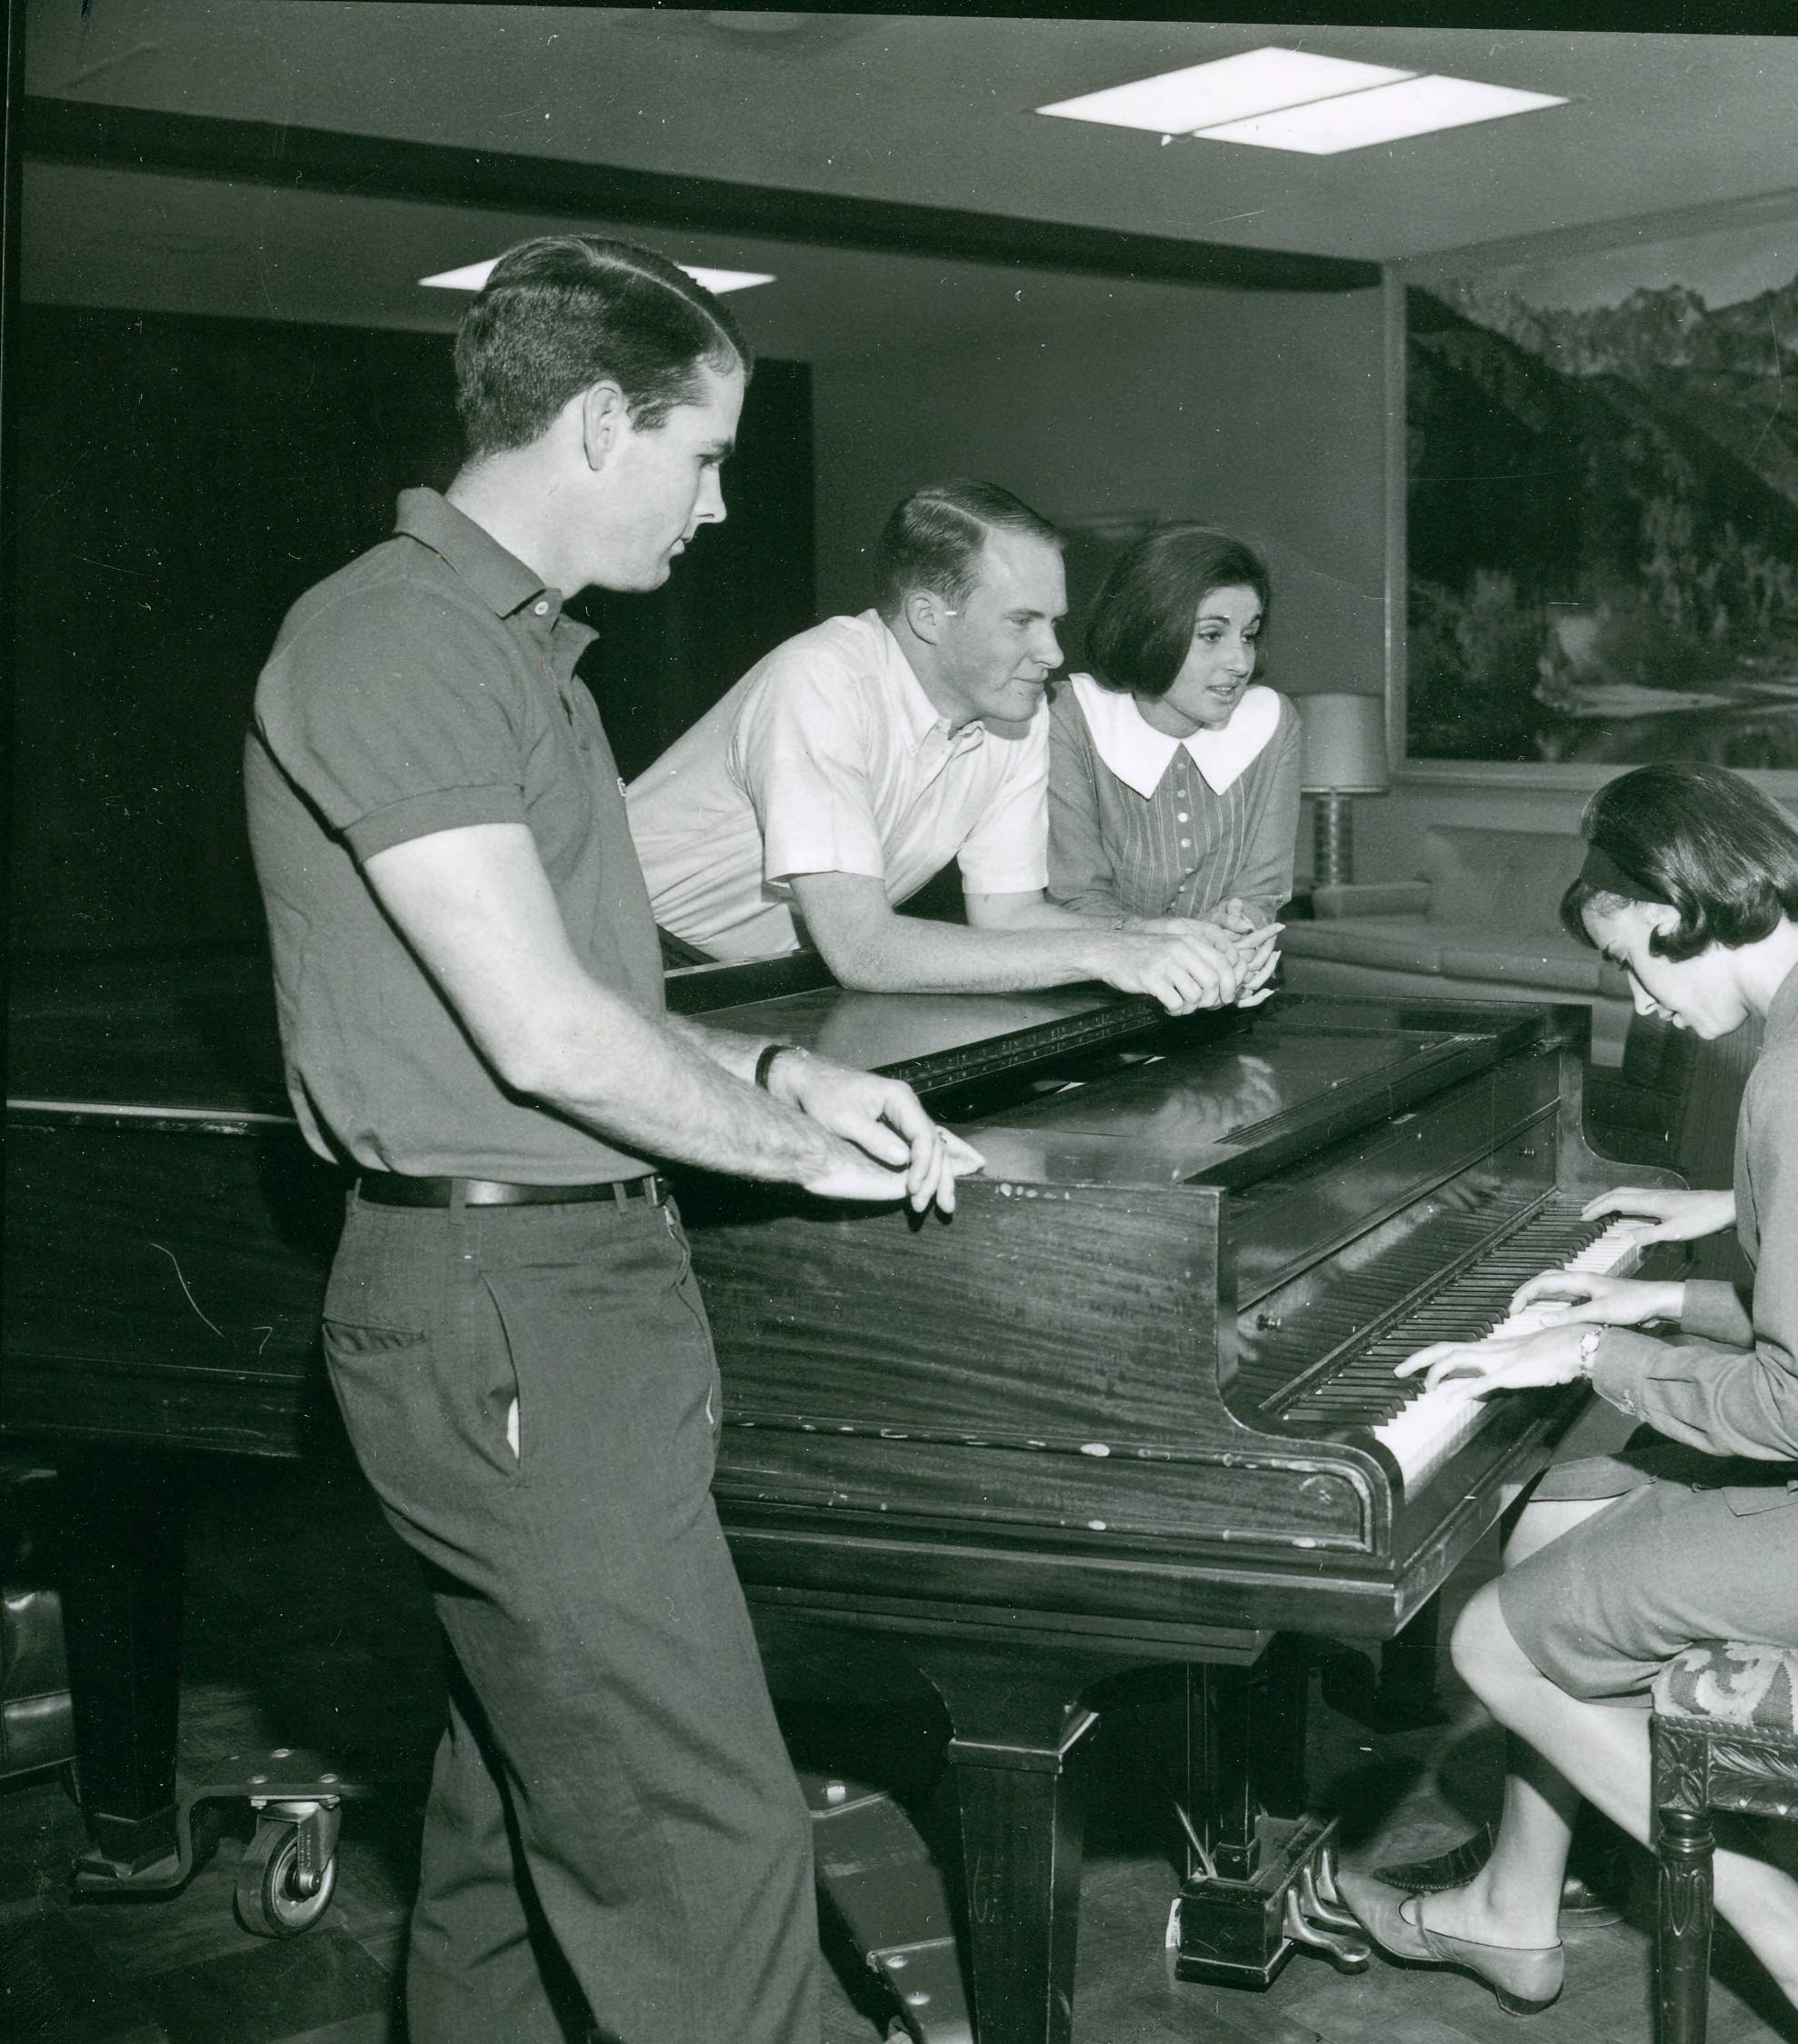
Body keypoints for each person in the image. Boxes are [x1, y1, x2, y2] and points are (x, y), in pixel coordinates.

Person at [244, 234, 978, 2044]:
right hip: (506, 1297)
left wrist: (788, 1083)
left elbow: (596, 991)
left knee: (522, 1818)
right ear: (596, 421)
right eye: (704, 453)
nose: (719, 506)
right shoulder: (390, 638)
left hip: (573, 1286)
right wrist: (792, 1153)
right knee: (705, 1858)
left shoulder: (528, 664)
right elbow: (540, 1027)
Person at [1337, 763, 1798, 2044]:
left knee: (1488, 1639)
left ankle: (1782, 1917)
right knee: (1557, 1537)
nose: (1640, 1000)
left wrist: (1586, 1355)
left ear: (1679, 904)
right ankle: (1517, 1902)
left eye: (1633, 959)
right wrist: (1643, 1308)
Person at [624, 481, 1273, 1012]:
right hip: (626, 951)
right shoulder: (821, 678)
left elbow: (1010, 916)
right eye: (1021, 621)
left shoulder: (1016, 712)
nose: (1050, 652)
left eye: (1054, 622)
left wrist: (1151, 935)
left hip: (762, 976)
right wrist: (1108, 954)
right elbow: (863, 948)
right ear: (929, 616)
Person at [1045, 523, 1302, 949]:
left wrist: (1238, 926)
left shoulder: (1274, 722)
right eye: (1211, 635)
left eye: (1249, 636)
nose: (1239, 662)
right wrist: (1167, 945)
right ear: (1150, 630)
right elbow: (1075, 897)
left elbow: (1262, 891)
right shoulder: (1071, 715)